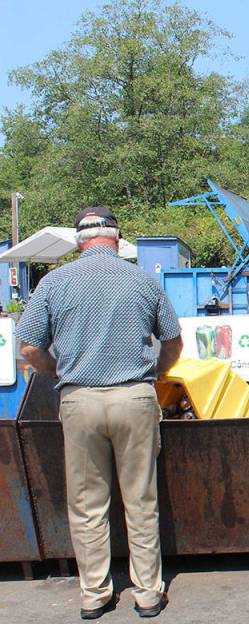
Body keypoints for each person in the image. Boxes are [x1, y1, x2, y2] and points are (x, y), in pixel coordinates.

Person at [17, 207, 183, 620]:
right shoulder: (143, 281)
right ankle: (147, 594)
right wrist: (156, 371)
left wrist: (59, 372)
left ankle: (95, 594)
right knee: (141, 501)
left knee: (89, 505)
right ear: (119, 237)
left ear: (78, 241)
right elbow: (174, 341)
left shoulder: (54, 282)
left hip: (80, 401)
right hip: (135, 398)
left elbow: (28, 348)